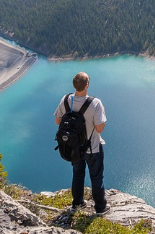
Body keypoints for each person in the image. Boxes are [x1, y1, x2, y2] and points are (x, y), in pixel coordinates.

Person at [54, 71, 108, 214]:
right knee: (96, 178)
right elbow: (100, 128)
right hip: (92, 149)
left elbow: (57, 121)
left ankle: (77, 204)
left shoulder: (65, 100)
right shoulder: (95, 103)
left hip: (74, 148)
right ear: (87, 85)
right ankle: (100, 208)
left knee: (77, 174)